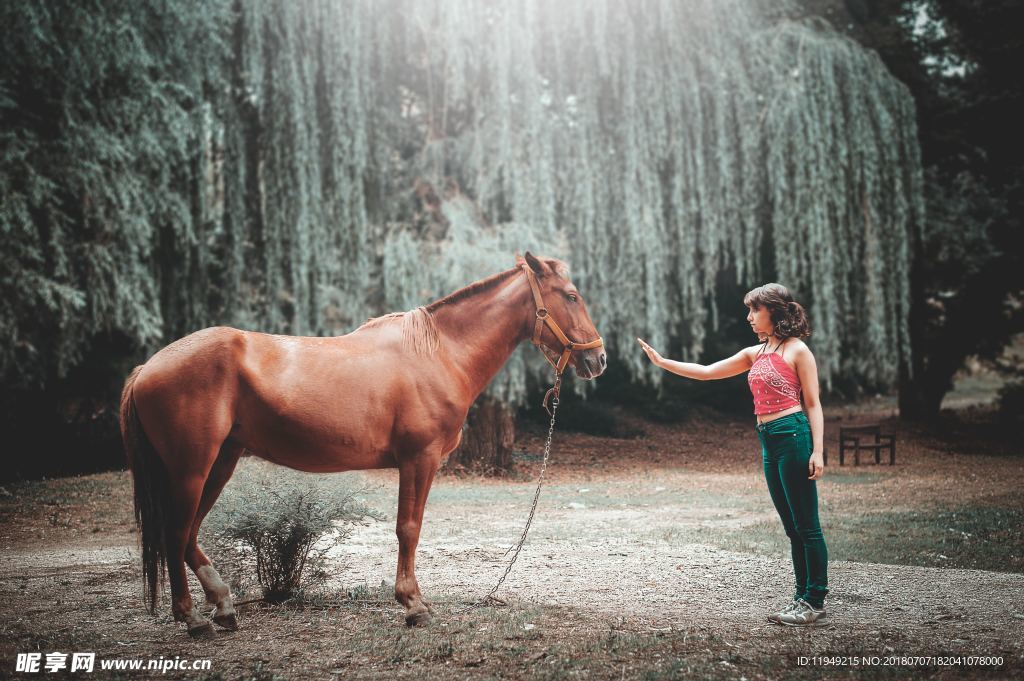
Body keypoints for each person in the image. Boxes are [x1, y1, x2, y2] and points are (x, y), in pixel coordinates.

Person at [637, 283, 829, 627]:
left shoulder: (798, 351)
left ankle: (814, 600)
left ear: (775, 311)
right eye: (749, 310)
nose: (750, 317)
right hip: (769, 439)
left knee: (807, 526)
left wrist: (817, 450)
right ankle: (801, 598)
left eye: (755, 310)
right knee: (791, 527)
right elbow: (708, 371)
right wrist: (663, 362)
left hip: (794, 435)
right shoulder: (755, 353)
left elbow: (813, 403)